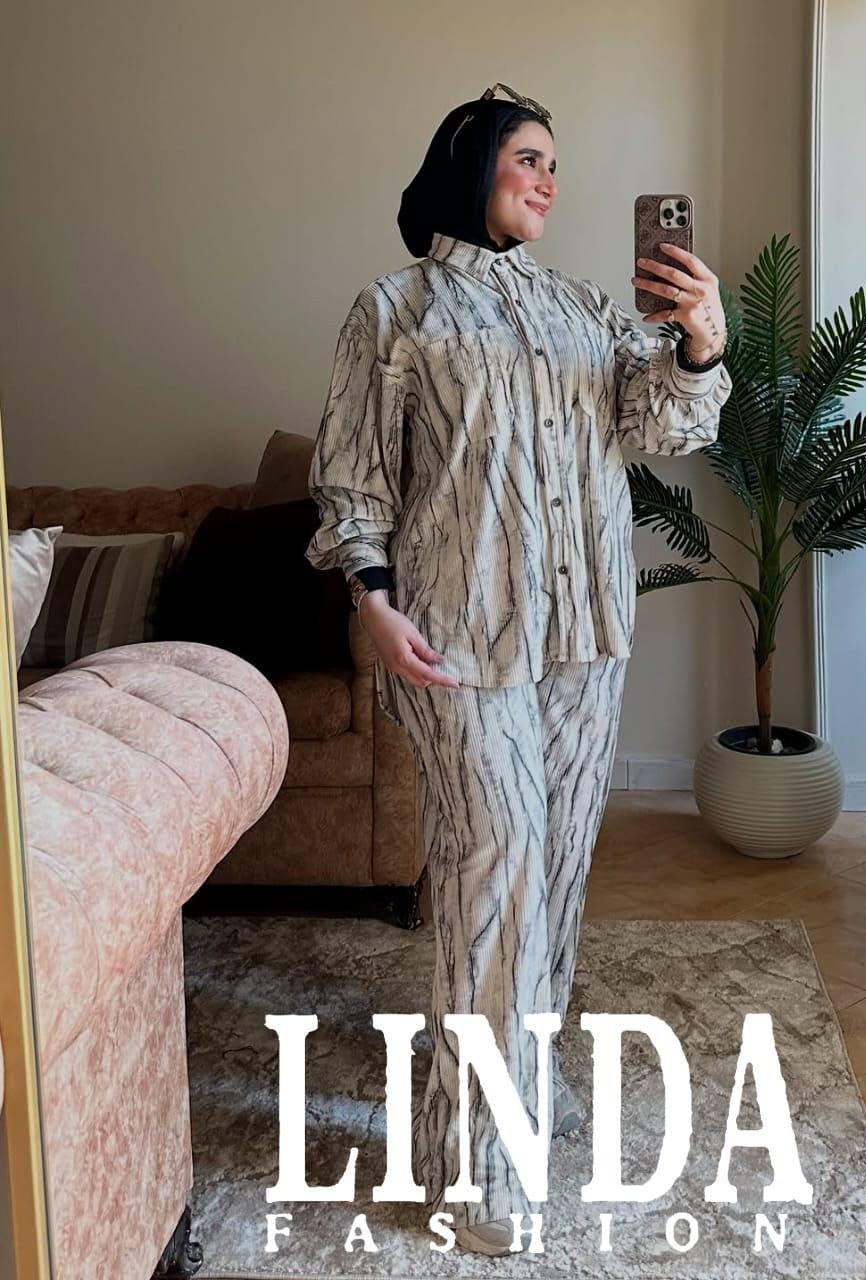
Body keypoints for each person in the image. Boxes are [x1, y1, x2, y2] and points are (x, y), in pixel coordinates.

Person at [306, 84, 733, 1257]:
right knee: (492, 865)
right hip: (456, 638)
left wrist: (699, 341)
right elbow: (352, 478)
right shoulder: (393, 310)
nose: (548, 178)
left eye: (554, 162)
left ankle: (516, 1095)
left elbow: (662, 428)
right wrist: (372, 601)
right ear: (471, 160)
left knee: (552, 880)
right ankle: (470, 1169)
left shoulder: (582, 307)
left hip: (584, 636)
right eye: (527, 157)